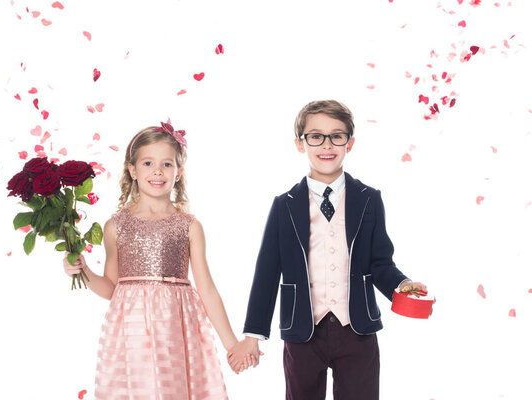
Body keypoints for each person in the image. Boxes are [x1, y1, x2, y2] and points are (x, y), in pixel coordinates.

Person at [228, 100, 428, 399]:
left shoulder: (369, 199)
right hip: (302, 331)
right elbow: (267, 273)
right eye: (315, 136)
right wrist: (253, 335)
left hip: (358, 329)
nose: (327, 144)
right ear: (300, 143)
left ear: (350, 142)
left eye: (337, 135)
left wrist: (402, 284)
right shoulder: (284, 205)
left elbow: (381, 263)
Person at [64, 121, 237, 399]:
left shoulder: (189, 226)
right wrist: (84, 271)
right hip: (132, 332)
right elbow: (112, 287)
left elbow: (206, 289)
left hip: (176, 328)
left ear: (178, 172)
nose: (157, 171)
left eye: (167, 164)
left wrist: (232, 344)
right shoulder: (115, 226)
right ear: (132, 170)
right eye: (147, 163)